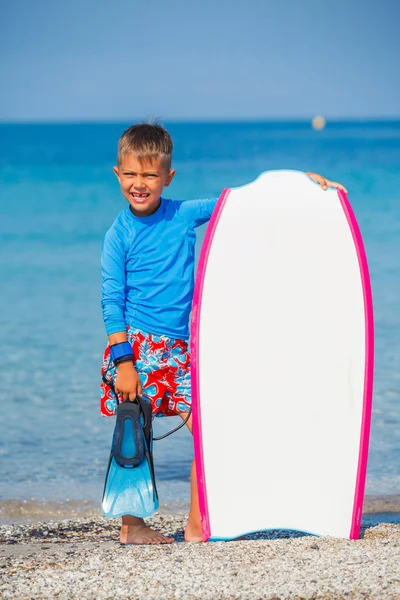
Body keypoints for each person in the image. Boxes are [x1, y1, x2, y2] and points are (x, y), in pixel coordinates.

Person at [100, 122, 348, 545]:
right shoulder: (118, 236)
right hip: (137, 349)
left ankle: (198, 524)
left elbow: (239, 204)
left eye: (149, 175)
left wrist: (304, 187)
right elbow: (111, 302)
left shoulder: (181, 214)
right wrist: (124, 363)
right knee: (133, 436)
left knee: (210, 430)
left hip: (180, 348)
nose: (139, 184)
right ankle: (132, 527)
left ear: (168, 177)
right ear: (117, 174)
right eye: (130, 174)